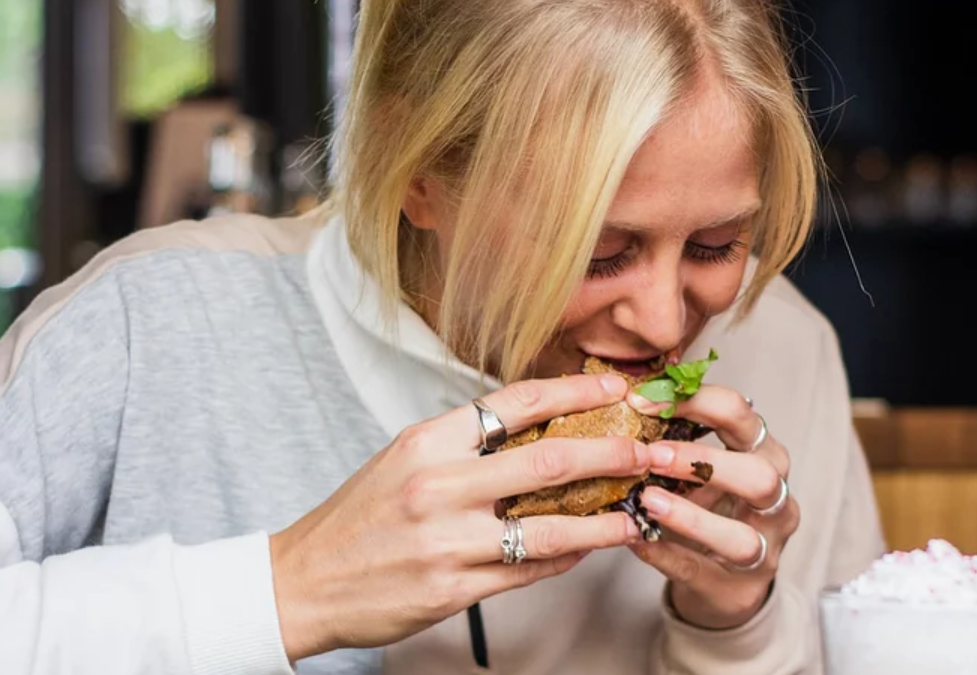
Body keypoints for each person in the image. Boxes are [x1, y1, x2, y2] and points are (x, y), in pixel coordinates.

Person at [0, 0, 886, 673]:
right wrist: (288, 587)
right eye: (596, 250)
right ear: (415, 168)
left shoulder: (787, 350)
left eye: (714, 245)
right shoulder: (142, 324)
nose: (665, 320)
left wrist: (735, 621)